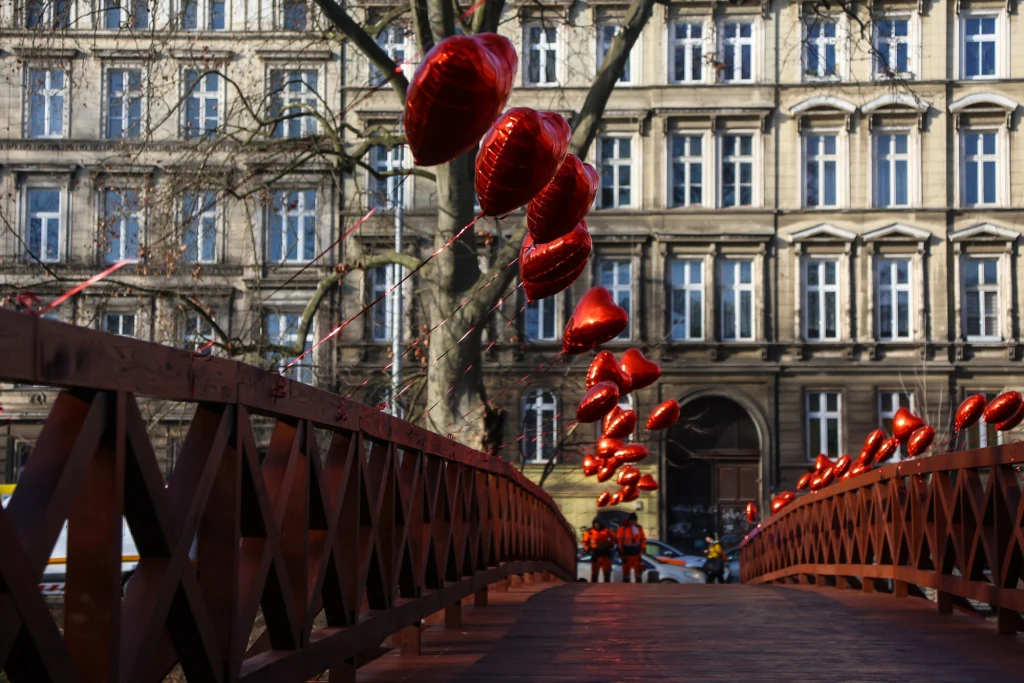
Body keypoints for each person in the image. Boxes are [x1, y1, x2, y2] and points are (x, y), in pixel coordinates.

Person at [582, 518, 615, 582]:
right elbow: (584, 542)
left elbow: (614, 538)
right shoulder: (590, 532)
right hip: (595, 554)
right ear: (593, 524)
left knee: (607, 573)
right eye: (595, 523)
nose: (597, 525)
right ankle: (594, 587)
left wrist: (610, 545)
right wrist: (588, 550)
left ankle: (607, 587)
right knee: (594, 574)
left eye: (598, 523)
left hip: (605, 554)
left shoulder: (607, 530)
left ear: (601, 524)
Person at [616, 513, 647, 583]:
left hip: (636, 555)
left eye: (634, 520)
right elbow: (619, 542)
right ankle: (626, 588)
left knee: (638, 575)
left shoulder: (639, 528)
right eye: (631, 520)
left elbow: (643, 540)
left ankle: (638, 588)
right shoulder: (623, 529)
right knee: (626, 575)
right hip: (626, 555)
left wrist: (642, 549)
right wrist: (621, 553)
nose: (633, 522)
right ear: (629, 521)